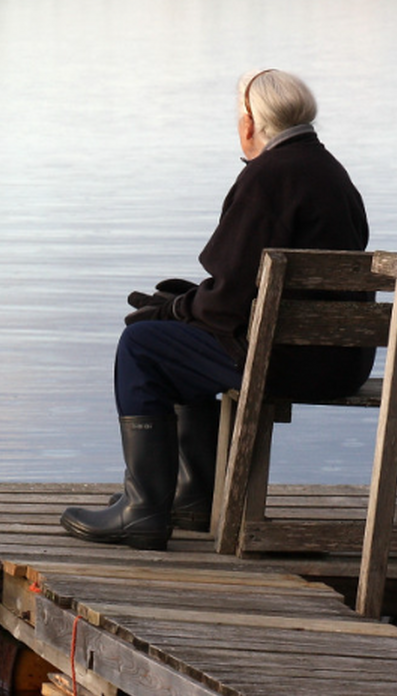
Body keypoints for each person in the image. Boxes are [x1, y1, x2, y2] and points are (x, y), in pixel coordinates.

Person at [60, 69, 375, 551]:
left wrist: (172, 312)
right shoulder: (332, 174)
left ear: (250, 123)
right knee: (175, 336)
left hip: (287, 362)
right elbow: (249, 289)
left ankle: (143, 510)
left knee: (142, 347)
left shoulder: (267, 177)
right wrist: (182, 306)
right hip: (342, 360)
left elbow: (226, 300)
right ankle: (192, 497)